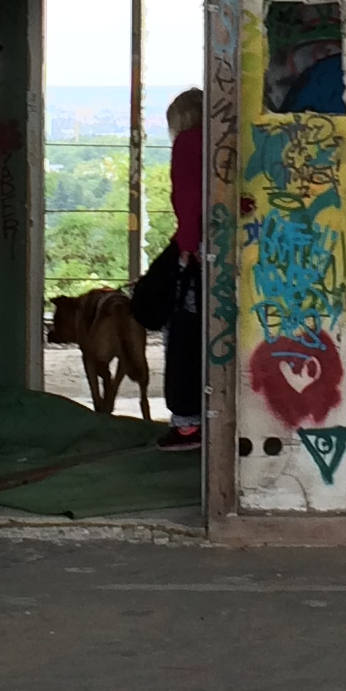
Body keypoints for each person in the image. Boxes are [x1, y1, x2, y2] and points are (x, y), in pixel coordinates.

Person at [156, 88, 204, 453]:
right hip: (223, 250)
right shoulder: (221, 142)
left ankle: (187, 424)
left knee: (182, 337)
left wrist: (186, 251)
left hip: (196, 253)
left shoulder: (188, 144)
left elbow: (188, 202)